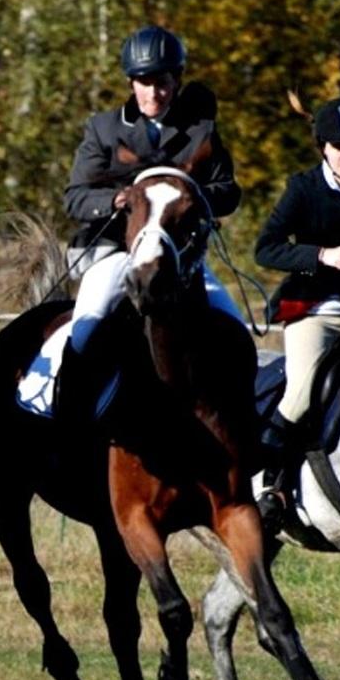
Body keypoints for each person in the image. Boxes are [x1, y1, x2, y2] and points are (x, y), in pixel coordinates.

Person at [58, 25, 243, 421]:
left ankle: (248, 429)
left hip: (180, 257)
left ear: (176, 81)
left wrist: (192, 197)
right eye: (144, 83)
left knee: (235, 327)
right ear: (131, 82)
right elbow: (74, 196)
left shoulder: (201, 129)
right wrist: (116, 199)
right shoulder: (104, 129)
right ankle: (68, 421)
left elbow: (228, 191)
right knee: (85, 329)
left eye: (162, 83)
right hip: (116, 253)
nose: (153, 93)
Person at [254, 94, 340, 527]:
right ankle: (272, 485)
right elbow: (266, 249)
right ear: (323, 148)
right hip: (315, 311)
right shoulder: (302, 189)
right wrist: (321, 256)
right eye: (337, 147)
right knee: (301, 390)